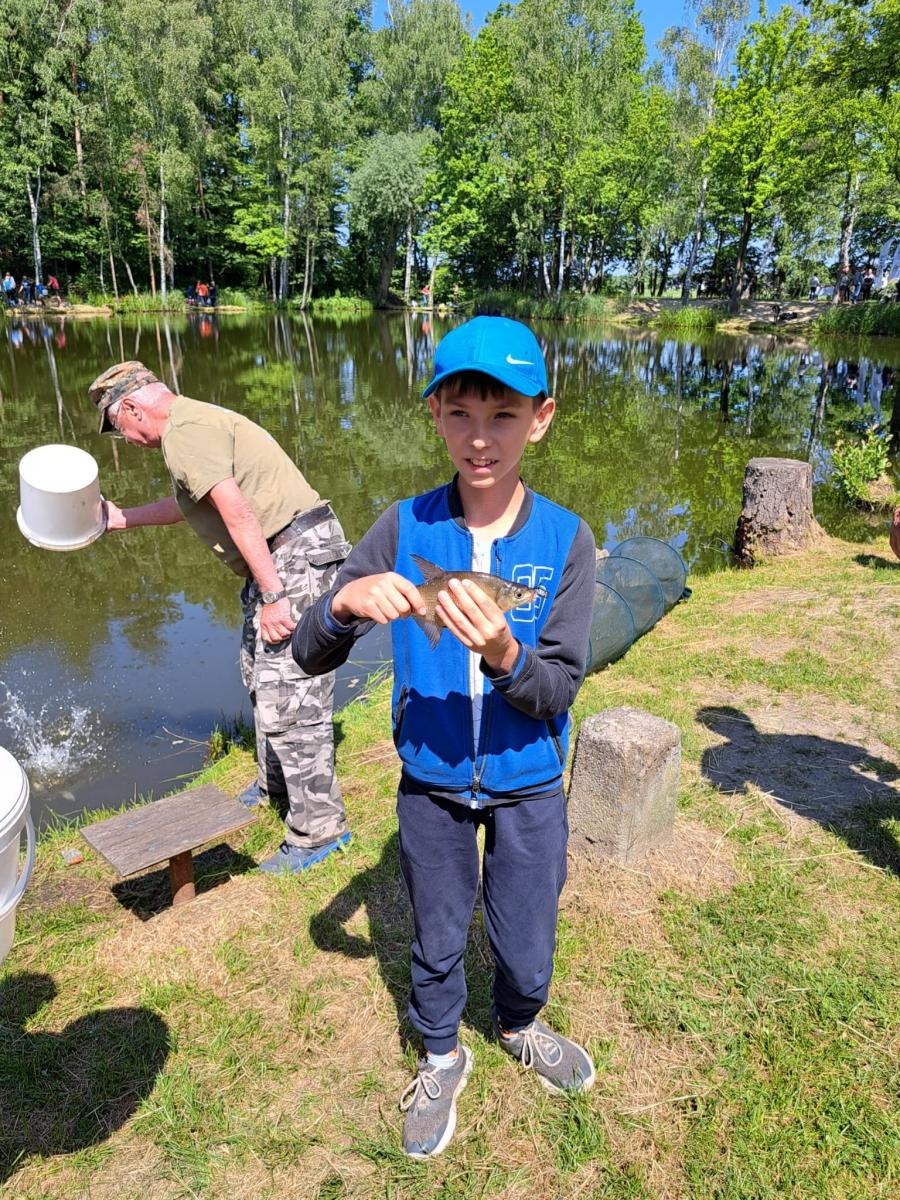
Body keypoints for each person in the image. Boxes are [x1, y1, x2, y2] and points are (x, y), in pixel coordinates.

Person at [293, 316, 597, 1158]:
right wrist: (342, 605)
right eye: (460, 412)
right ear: (433, 414)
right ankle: (438, 1054)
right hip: (429, 778)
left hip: (529, 775)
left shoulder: (568, 541)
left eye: (503, 415)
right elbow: (308, 652)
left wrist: (504, 653)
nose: (480, 438)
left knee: (529, 927)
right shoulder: (403, 527)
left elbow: (559, 687)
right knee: (434, 930)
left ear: (541, 417)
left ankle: (520, 1023)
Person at [87, 361, 352, 874]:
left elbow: (237, 513)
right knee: (259, 674)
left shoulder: (184, 433)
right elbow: (191, 503)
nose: (126, 439)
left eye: (120, 428)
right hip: (276, 558)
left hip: (292, 557)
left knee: (290, 692)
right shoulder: (189, 427)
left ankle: (320, 830)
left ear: (134, 408)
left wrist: (274, 594)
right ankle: (277, 782)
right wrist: (123, 519)